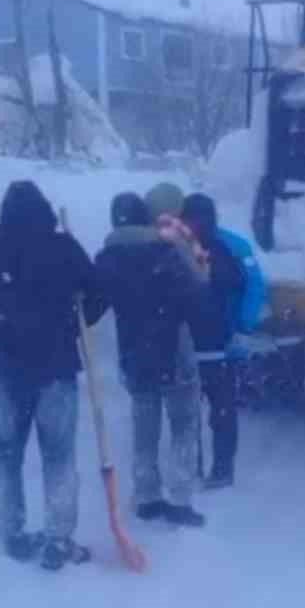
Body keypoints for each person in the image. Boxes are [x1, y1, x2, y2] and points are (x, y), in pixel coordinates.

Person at [0, 180, 106, 570]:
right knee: (59, 456)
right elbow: (99, 293)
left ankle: (12, 536)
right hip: (57, 368)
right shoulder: (63, 247)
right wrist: (74, 324)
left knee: (7, 457)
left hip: (8, 372)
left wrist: (2, 326)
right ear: (43, 209)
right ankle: (59, 538)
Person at [95, 191, 206, 527]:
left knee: (144, 428)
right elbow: (194, 299)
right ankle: (180, 499)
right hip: (174, 354)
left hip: (135, 356)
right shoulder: (165, 251)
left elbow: (91, 307)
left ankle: (146, 497)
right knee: (183, 425)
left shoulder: (106, 259)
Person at [181, 192, 265, 488]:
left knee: (221, 409)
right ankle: (193, 467)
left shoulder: (234, 245)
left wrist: (244, 324)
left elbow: (255, 285)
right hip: (190, 345)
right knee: (192, 412)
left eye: (200, 218)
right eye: (191, 218)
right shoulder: (177, 246)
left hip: (223, 344)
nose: (196, 224)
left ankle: (221, 469)